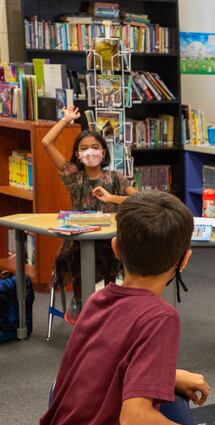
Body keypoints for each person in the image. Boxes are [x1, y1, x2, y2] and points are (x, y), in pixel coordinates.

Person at [40, 191, 215, 425]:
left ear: (115, 248)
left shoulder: (97, 300)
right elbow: (136, 420)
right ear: (185, 259)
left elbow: (100, 369)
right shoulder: (159, 317)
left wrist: (168, 376)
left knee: (169, 397)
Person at [41, 106, 137, 323]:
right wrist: (66, 120)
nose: (90, 152)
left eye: (95, 147)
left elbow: (138, 199)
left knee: (114, 259)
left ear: (103, 152)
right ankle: (79, 298)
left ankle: (109, 300)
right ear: (78, 154)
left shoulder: (115, 177)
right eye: (84, 148)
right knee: (76, 259)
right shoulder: (74, 177)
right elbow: (46, 143)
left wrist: (112, 198)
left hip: (108, 240)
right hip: (80, 240)